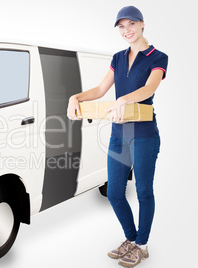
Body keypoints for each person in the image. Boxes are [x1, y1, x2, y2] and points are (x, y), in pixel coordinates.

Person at [66, 6, 168, 268]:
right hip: (119, 133)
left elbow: (149, 88)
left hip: (144, 134)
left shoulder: (158, 57)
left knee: (144, 191)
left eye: (131, 24)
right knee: (114, 192)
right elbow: (101, 89)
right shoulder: (118, 57)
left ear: (142, 24)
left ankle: (142, 246)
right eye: (121, 26)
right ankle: (131, 239)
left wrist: (123, 99)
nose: (127, 30)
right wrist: (74, 97)